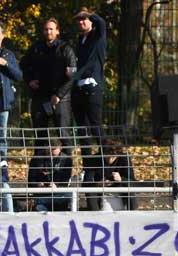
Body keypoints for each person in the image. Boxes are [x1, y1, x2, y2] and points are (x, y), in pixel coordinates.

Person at [21, 18, 77, 141]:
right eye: (46, 29)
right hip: (40, 98)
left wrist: (59, 95)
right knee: (39, 137)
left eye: (51, 29)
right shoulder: (36, 48)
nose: (48, 32)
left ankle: (66, 155)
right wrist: (29, 80)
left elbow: (72, 75)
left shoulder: (66, 49)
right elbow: (24, 65)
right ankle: (41, 155)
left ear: (57, 31)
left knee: (64, 136)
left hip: (61, 100)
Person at [72, 7, 107, 150]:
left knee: (95, 125)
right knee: (82, 129)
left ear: (91, 20)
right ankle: (88, 162)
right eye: (79, 19)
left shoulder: (98, 35)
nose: (81, 22)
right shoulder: (81, 39)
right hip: (79, 87)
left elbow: (101, 23)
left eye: (84, 19)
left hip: (92, 87)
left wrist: (90, 14)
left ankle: (107, 157)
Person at [0, 20, 23, 156]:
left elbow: (18, 76)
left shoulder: (9, 54)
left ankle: (2, 163)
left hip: (4, 100)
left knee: (1, 135)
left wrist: (6, 64)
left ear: (3, 35)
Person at [83, 138, 137, 211]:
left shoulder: (124, 159)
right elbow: (86, 183)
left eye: (114, 156)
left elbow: (133, 182)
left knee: (131, 190)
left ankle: (132, 214)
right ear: (103, 153)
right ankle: (95, 215)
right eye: (107, 156)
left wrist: (121, 179)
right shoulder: (93, 159)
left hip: (120, 189)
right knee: (90, 192)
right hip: (100, 190)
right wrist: (98, 184)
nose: (110, 159)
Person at [28, 138, 74, 212]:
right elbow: (31, 180)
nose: (51, 156)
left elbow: (66, 181)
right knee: (39, 207)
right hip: (42, 193)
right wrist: (37, 184)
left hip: (58, 193)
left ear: (60, 148)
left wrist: (57, 186)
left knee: (67, 195)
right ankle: (40, 203)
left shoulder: (66, 160)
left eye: (53, 154)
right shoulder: (36, 159)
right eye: (48, 153)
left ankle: (39, 202)